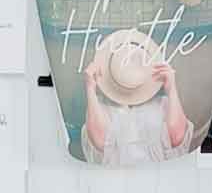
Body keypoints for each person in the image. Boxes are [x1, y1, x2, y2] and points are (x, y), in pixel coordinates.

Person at [79, 28, 194, 167]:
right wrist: (90, 88)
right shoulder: (102, 108)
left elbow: (177, 138)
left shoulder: (163, 104)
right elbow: (100, 141)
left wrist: (171, 88)